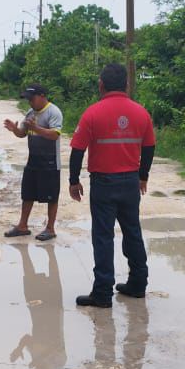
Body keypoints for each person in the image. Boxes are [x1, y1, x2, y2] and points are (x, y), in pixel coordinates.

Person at [67, 63, 156, 307]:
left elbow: (77, 149)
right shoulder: (141, 113)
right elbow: (149, 147)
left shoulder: (92, 113)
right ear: (127, 84)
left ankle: (103, 292)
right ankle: (138, 284)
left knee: (103, 237)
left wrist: (73, 181)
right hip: (130, 182)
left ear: (101, 85)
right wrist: (143, 176)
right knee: (132, 232)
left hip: (103, 183)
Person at [2, 83, 64, 241]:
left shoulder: (53, 112)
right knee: (27, 193)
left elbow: (55, 135)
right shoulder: (30, 113)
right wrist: (14, 130)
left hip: (50, 161)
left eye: (32, 98)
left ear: (42, 96)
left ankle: (50, 228)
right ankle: (22, 225)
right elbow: (23, 133)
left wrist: (37, 129)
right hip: (33, 159)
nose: (30, 102)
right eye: (28, 99)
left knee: (52, 196)